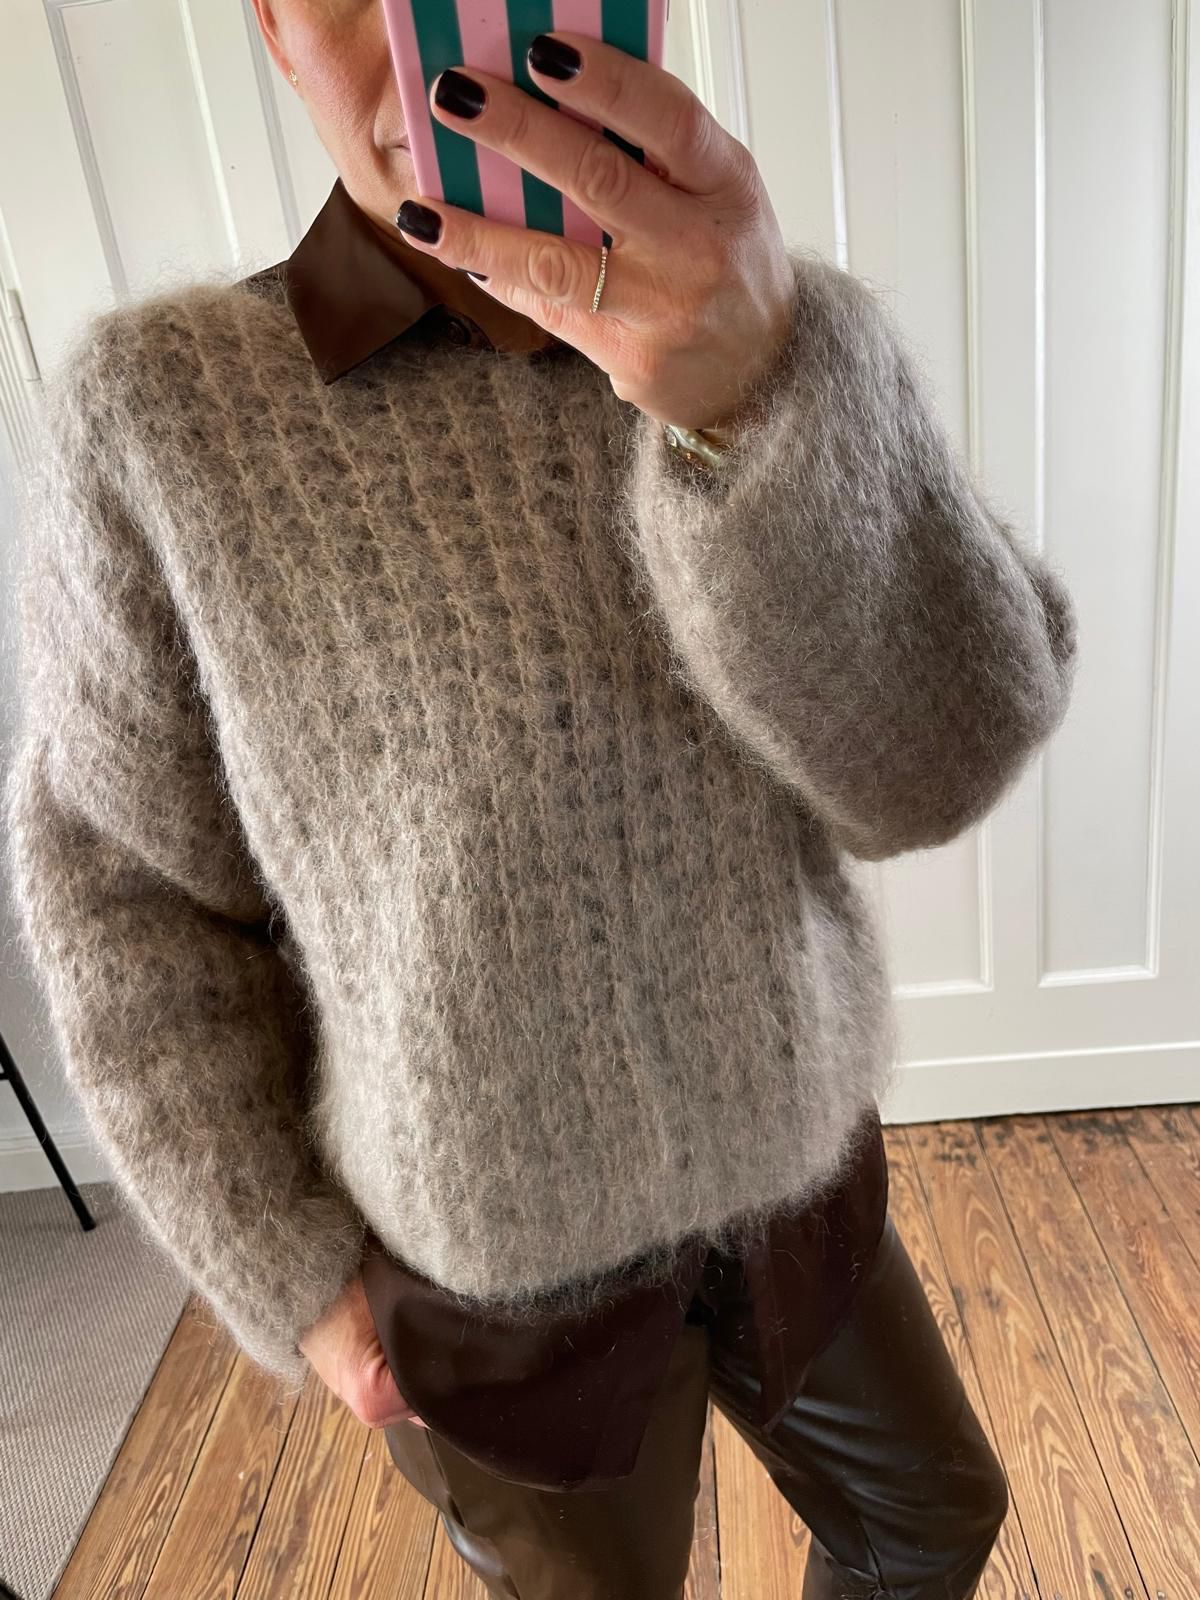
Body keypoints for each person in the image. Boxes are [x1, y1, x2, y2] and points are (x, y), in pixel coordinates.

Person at [3, 4, 1077, 1596]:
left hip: (794, 1173)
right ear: (273, 26)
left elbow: (946, 763)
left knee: (931, 1519)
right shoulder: (164, 415)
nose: (422, 32)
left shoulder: (769, 338)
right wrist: (285, 1268)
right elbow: (123, 889)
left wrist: (765, 402)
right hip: (492, 1276)